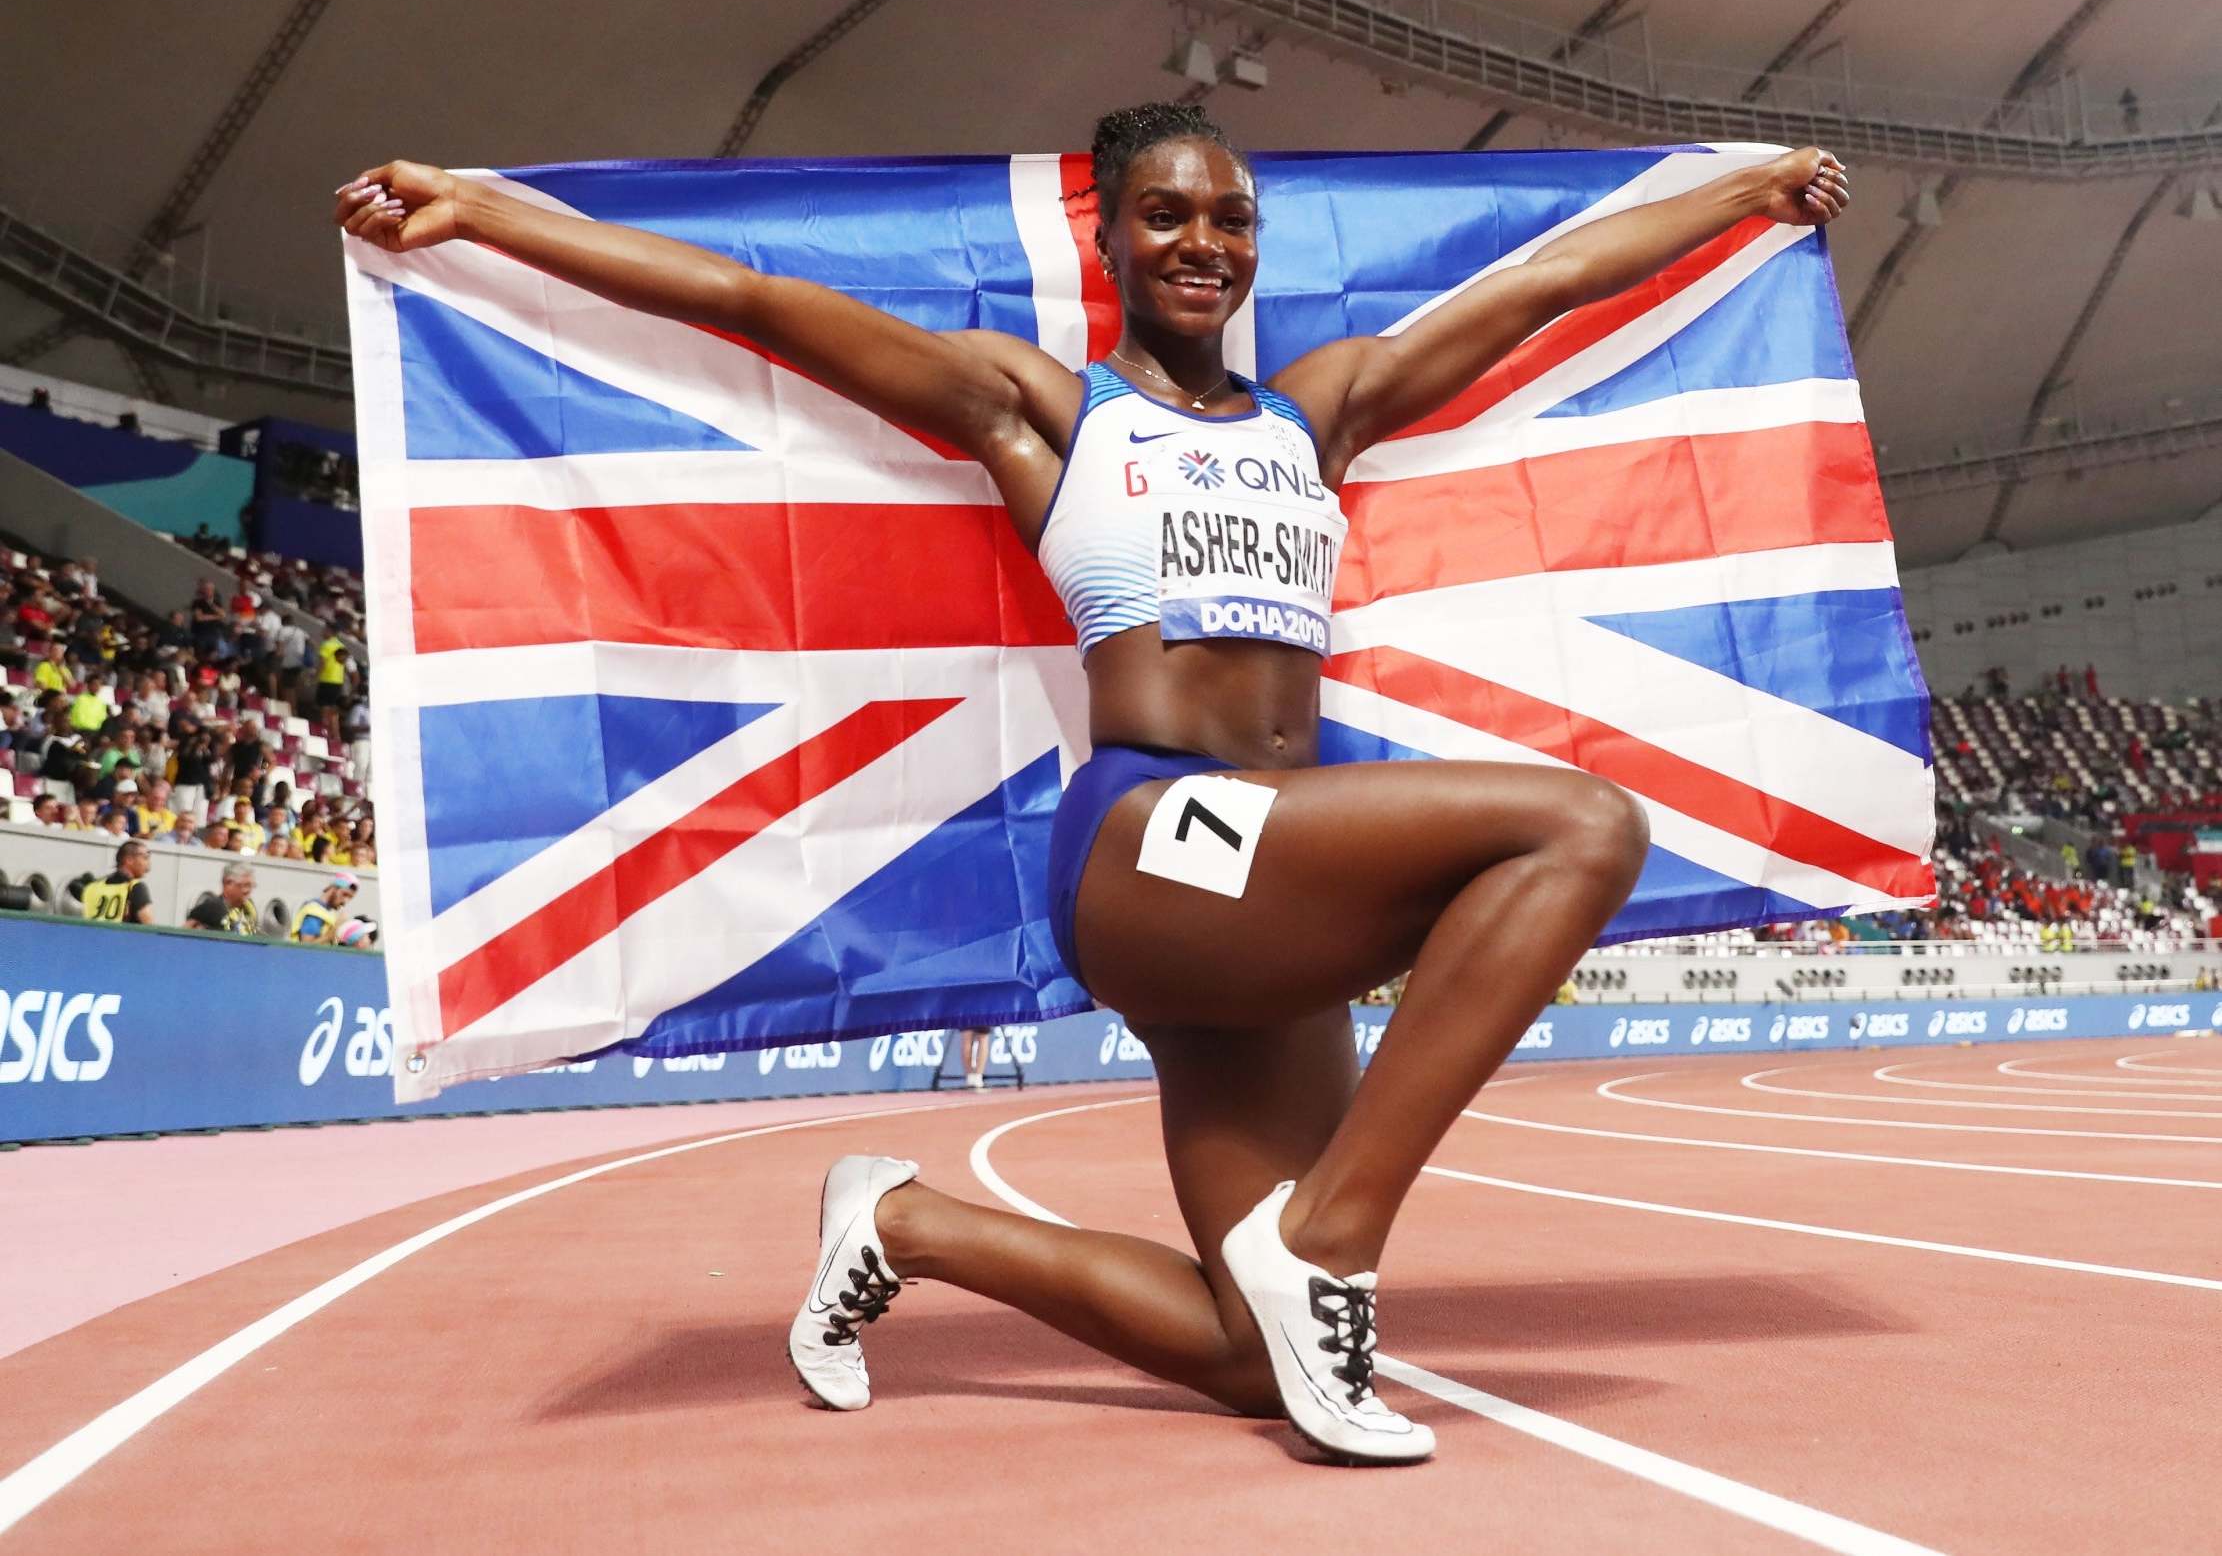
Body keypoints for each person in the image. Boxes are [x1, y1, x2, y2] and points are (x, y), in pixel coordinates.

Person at [338, 109, 1849, 1464]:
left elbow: (1537, 289)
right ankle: (1331, 1241)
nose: (1205, 242)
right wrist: (481, 212)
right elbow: (754, 303)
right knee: (1581, 823)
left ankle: (904, 1219)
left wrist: (1744, 195)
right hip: (1149, 841)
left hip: (1273, 887)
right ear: (1110, 236)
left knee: (1249, 1358)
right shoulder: (1048, 411)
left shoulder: (1309, 415)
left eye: (1232, 219)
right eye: (1169, 214)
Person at [82, 838, 156, 926]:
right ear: (129, 860)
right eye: (145, 857)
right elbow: (150, 927)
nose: (148, 864)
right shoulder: (135, 887)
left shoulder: (92, 887)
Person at [185, 861, 258, 935]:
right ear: (228, 883)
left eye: (252, 886)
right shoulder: (211, 907)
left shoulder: (248, 911)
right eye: (246, 885)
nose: (249, 891)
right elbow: (184, 931)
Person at [290, 870, 359, 943]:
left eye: (350, 898)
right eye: (344, 894)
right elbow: (306, 947)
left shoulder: (328, 913)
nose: (345, 902)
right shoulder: (314, 912)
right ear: (334, 888)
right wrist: (335, 929)